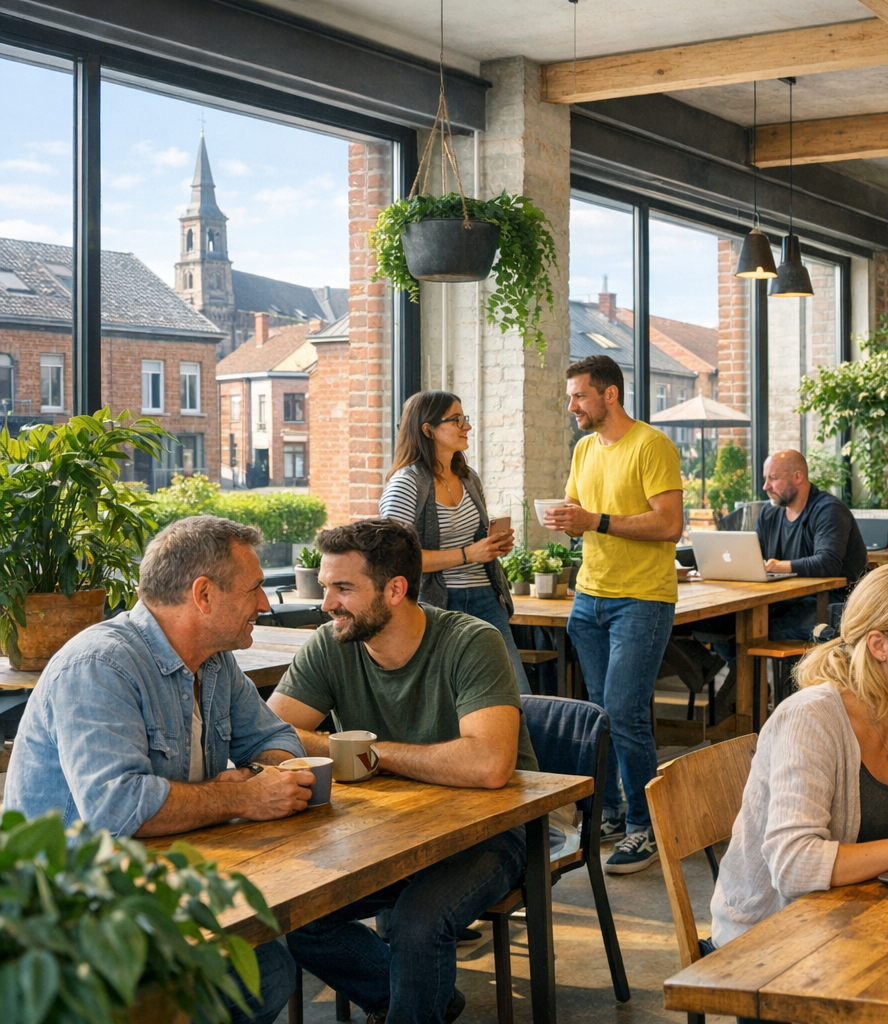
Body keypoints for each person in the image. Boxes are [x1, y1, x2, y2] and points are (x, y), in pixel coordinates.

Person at [4, 516, 310, 1024]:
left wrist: (269, 774)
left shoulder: (214, 661)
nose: (264, 604)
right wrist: (241, 797)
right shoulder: (100, 665)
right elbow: (117, 809)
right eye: (255, 589)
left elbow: (275, 738)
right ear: (204, 595)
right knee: (259, 970)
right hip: (69, 913)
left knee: (269, 963)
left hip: (163, 880)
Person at [267, 518, 538, 1024]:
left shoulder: (470, 641)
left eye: (343, 589)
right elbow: (269, 738)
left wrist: (371, 754)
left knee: (418, 924)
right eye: (326, 587)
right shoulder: (333, 643)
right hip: (383, 831)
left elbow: (488, 765)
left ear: (395, 589)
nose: (327, 604)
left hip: (492, 830)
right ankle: (414, 1001)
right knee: (301, 918)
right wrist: (361, 752)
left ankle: (417, 1002)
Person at [708, 561, 888, 948]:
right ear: (879, 644)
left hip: (864, 917)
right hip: (772, 940)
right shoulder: (811, 718)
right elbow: (794, 865)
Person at [542, 354, 684, 874]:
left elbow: (669, 525)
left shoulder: (651, 446)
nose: (572, 406)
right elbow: (580, 514)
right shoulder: (583, 449)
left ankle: (645, 827)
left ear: (610, 394)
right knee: (600, 715)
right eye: (570, 396)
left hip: (641, 599)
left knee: (625, 713)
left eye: (579, 395)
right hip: (589, 597)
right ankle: (608, 812)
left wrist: (594, 520)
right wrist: (569, 520)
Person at [379, 389, 529, 695]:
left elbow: (475, 544)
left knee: (517, 698)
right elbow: (394, 559)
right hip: (437, 608)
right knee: (451, 702)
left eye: (465, 418)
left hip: (488, 600)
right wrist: (468, 554)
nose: (467, 427)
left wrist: (492, 546)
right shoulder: (407, 483)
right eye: (456, 420)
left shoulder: (469, 478)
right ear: (428, 429)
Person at [755, 449, 868, 639]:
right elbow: (754, 556)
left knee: (755, 630)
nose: (766, 486)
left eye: (773, 478)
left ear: (798, 477)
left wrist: (778, 566)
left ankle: (742, 667)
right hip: (786, 599)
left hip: (834, 603)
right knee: (722, 625)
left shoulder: (828, 510)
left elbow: (827, 563)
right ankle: (721, 666)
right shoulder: (769, 513)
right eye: (765, 479)